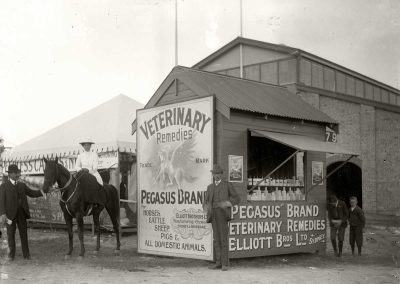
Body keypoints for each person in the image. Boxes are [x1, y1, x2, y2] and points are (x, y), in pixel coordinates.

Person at [0, 164, 46, 261]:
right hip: (10, 216)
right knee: (10, 235)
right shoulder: (3, 186)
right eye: (15, 173)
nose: (17, 174)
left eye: (17, 172)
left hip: (22, 214)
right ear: (10, 174)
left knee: (24, 235)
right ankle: (11, 256)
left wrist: (42, 192)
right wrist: (3, 213)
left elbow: (32, 193)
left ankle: (26, 255)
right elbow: (1, 201)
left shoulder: (22, 185)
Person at [203, 164, 240, 271]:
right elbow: (205, 201)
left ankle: (225, 264)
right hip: (213, 214)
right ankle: (218, 263)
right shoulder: (210, 187)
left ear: (221, 174)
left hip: (223, 215)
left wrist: (229, 203)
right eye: (215, 174)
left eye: (218, 174)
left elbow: (237, 198)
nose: (216, 176)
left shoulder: (227, 185)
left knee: (223, 239)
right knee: (216, 239)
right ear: (213, 175)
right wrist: (205, 207)